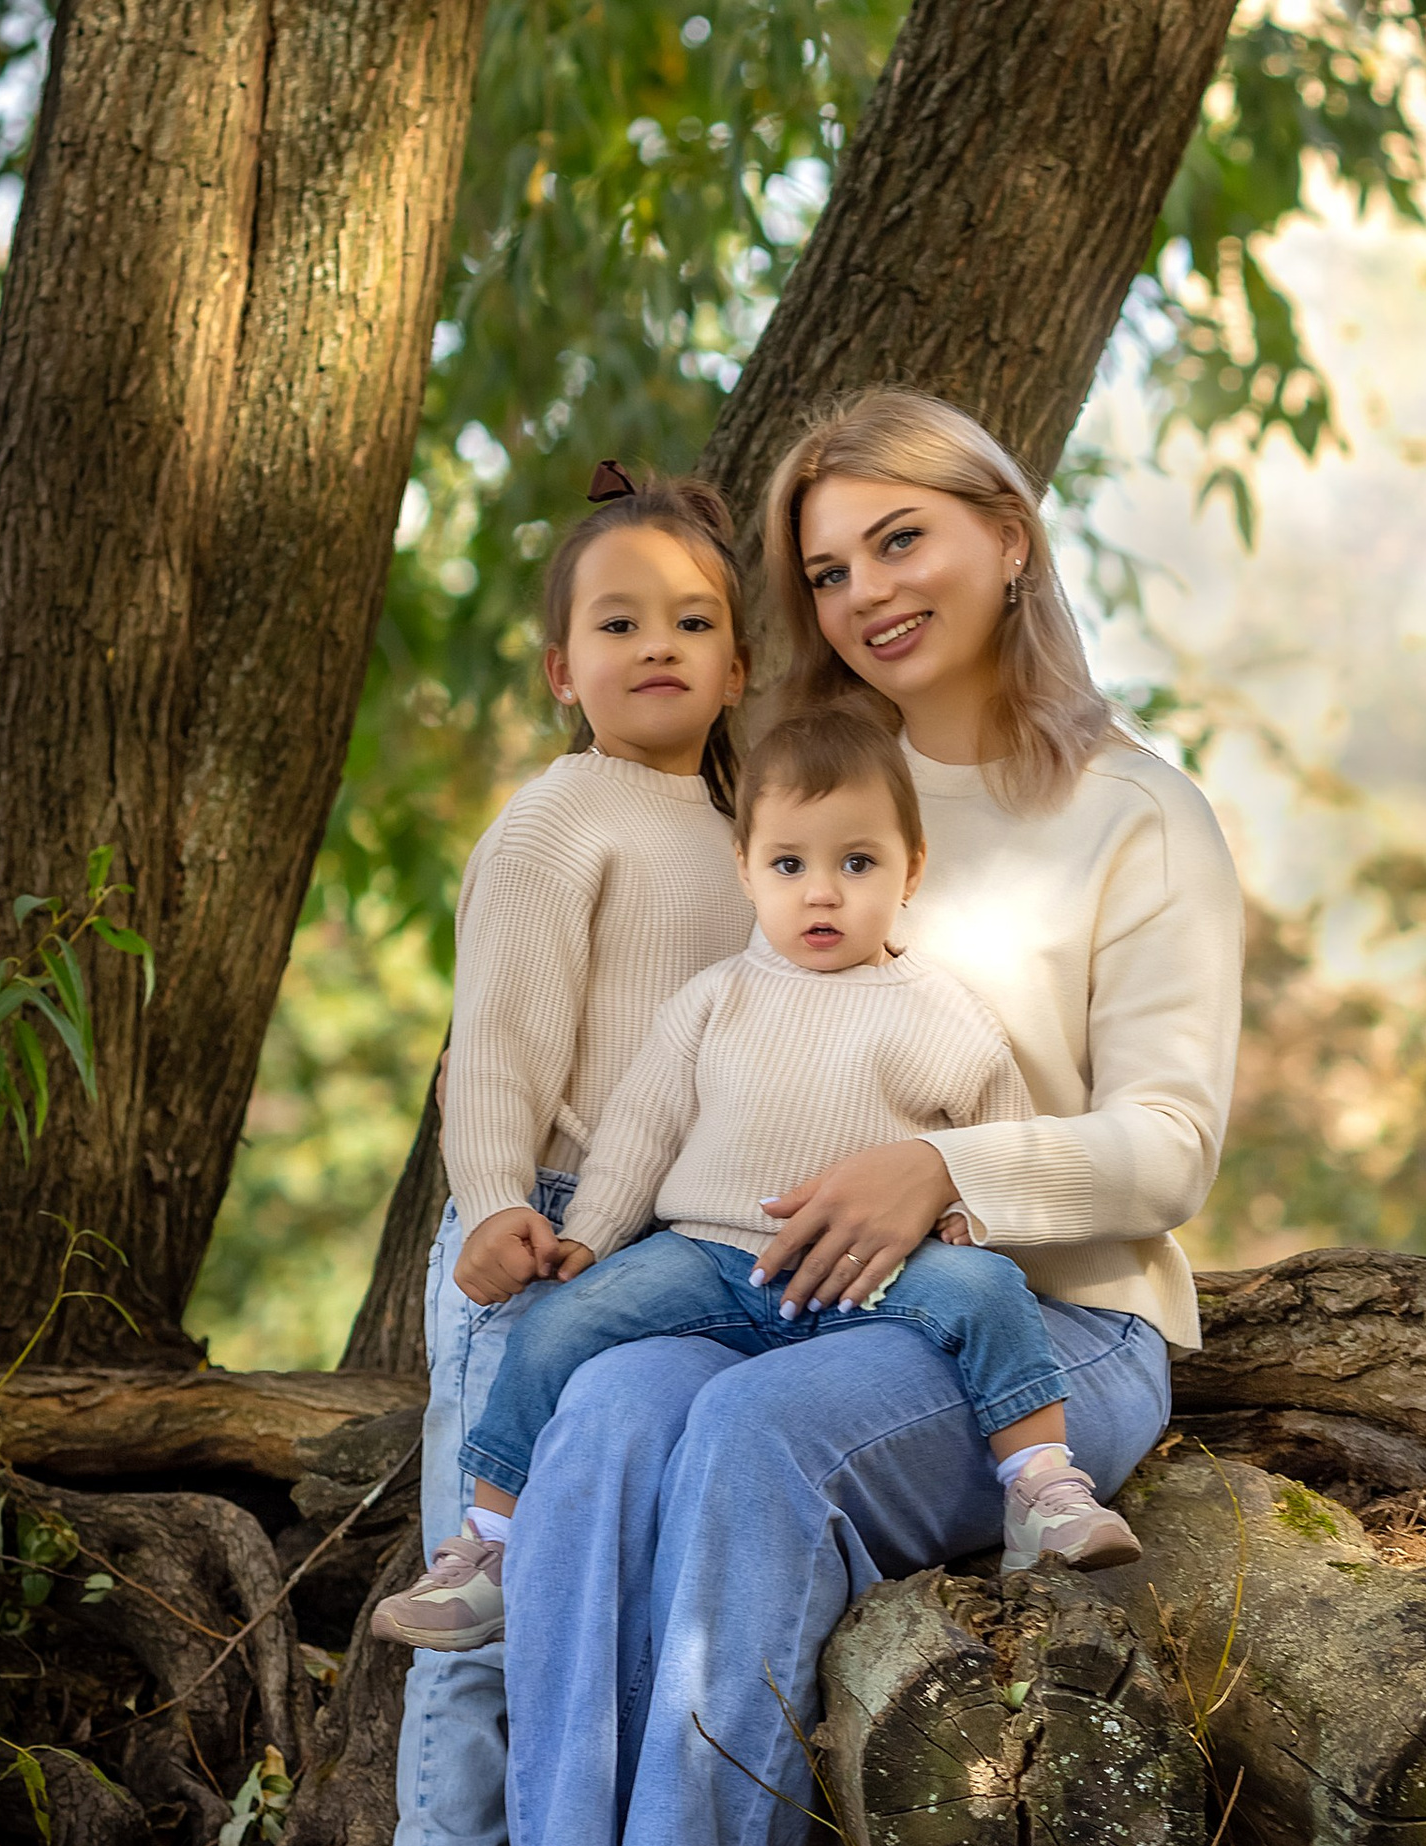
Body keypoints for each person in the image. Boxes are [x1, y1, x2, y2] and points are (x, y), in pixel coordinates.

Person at [421, 389, 1243, 1846]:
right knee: (608, 1415)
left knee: (745, 1438)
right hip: (755, 1294)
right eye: (827, 564)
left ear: (1008, 535)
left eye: (905, 540)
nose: (869, 588)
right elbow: (694, 1065)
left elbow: (1175, 1142)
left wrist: (948, 1174)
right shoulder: (786, 781)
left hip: (1039, 1332)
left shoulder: (1135, 815)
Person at [370, 703, 1137, 1654]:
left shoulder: (943, 1013)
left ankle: (1044, 1489)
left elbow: (994, 1135)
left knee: (991, 1292)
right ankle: (488, 1549)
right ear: (746, 870)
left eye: (857, 864)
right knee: (557, 1326)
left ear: (913, 869)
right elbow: (642, 1133)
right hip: (706, 1258)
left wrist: (966, 1216)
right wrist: (592, 1240)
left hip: (865, 1273)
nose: (822, 894)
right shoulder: (715, 999)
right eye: (789, 865)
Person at [354, 464, 753, 1846]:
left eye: (694, 622)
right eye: (619, 622)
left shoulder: (747, 832)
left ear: (739, 663)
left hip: (672, 1251)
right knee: (484, 1591)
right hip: (548, 1237)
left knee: (608, 1590)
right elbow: (501, 1037)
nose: (658, 646)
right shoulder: (561, 817)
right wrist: (494, 1203)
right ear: (559, 669)